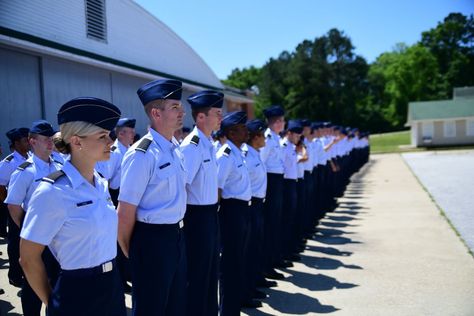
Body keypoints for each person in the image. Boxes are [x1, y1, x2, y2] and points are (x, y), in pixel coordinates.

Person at [19, 97, 126, 316]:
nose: (111, 142)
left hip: (112, 285)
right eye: (102, 136)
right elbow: (28, 257)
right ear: (77, 142)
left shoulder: (100, 183)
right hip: (76, 291)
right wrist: (54, 303)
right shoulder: (52, 191)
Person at [118, 79, 187, 316]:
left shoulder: (174, 148)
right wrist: (136, 253)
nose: (182, 112)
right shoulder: (142, 154)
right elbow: (125, 212)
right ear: (156, 113)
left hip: (176, 236)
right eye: (175, 107)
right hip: (152, 242)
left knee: (175, 306)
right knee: (151, 308)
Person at [5, 120, 61, 316]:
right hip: (36, 232)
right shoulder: (25, 171)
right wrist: (29, 231)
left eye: (52, 139)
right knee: (33, 282)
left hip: (58, 232)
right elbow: (13, 206)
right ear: (32, 141)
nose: (50, 143)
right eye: (45, 139)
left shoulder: (60, 165)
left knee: (56, 279)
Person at [180, 90, 223, 316]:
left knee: (210, 274)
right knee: (197, 277)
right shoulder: (192, 146)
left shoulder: (208, 143)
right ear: (200, 117)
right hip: (195, 218)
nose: (221, 117)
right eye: (217, 113)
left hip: (209, 215)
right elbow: (181, 187)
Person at [216, 111, 253, 315]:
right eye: (242, 128)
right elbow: (218, 189)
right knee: (230, 264)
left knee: (238, 261)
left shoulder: (239, 152)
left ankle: (234, 309)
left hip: (241, 211)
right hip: (231, 212)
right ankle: (228, 311)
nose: (247, 131)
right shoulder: (226, 155)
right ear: (231, 132)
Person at [241, 119, 268, 305]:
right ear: (255, 137)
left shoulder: (255, 153)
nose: (265, 138)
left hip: (258, 205)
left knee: (255, 248)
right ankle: (245, 293)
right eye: (262, 135)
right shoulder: (246, 157)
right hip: (249, 207)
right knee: (247, 252)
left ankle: (252, 286)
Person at [260, 105, 287, 281]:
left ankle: (273, 261)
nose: (283, 123)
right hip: (269, 183)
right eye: (281, 121)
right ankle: (266, 266)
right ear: (275, 122)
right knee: (269, 226)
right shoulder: (268, 139)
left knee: (276, 223)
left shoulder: (276, 138)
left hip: (277, 181)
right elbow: (261, 164)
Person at [0, 127, 30, 286]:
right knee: (15, 244)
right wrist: (8, 203)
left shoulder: (31, 157)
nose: (28, 143)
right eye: (25, 140)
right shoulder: (9, 162)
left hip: (30, 209)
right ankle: (15, 275)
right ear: (16, 143)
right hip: (15, 207)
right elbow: (0, 185)